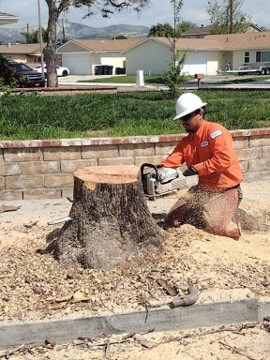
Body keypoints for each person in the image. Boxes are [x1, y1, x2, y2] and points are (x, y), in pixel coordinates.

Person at [160, 92, 243, 239]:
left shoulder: (215, 132)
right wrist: (159, 170)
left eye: (186, 117)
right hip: (202, 190)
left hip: (226, 190)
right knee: (172, 220)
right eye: (181, 119)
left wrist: (196, 169)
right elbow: (172, 160)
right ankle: (211, 211)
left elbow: (224, 160)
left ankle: (236, 220)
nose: (183, 122)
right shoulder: (186, 141)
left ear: (200, 113)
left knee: (215, 228)